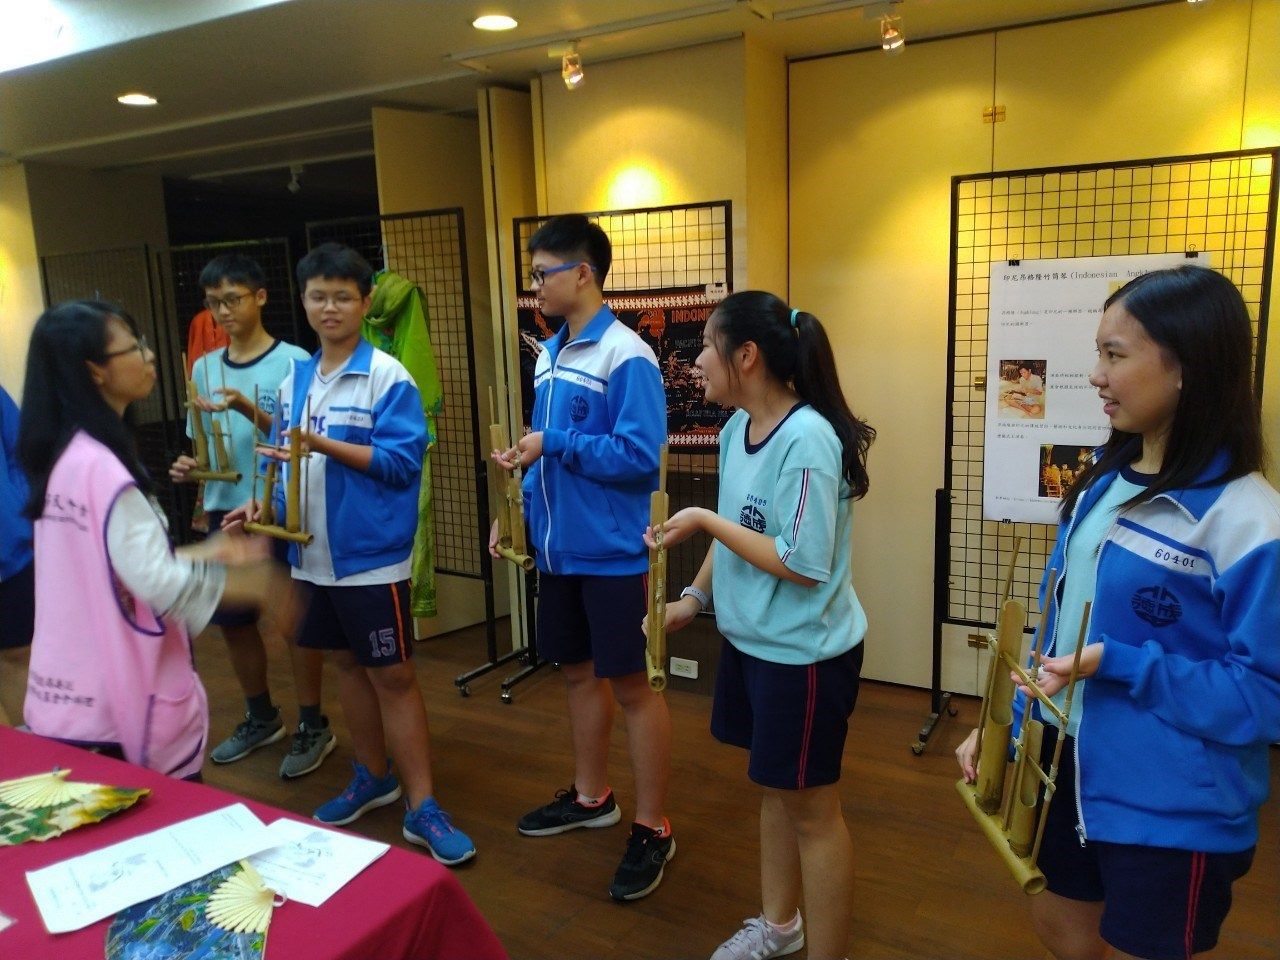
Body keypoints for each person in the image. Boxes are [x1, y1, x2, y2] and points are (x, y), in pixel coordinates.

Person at [957, 265, 1280, 960]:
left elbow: (1265, 696)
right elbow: (1057, 632)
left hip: (1173, 811)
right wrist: (1011, 731)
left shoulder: (1251, 521)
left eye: (1115, 354)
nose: (1096, 375)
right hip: (1065, 769)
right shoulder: (1102, 481)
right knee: (1063, 935)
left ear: (1187, 366)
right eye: (1098, 352)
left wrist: (1121, 665)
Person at [229, 243, 475, 865]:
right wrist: (264, 509)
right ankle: (372, 775)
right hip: (311, 558)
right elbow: (289, 467)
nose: (329, 307)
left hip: (371, 559)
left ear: (365, 304)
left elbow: (400, 463)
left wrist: (324, 444)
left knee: (393, 676)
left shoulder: (389, 377)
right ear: (304, 304)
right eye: (318, 296)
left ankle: (423, 805)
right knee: (345, 668)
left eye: (343, 296)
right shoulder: (296, 380)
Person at [646, 291, 874, 960]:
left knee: (812, 810)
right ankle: (779, 929)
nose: (695, 364)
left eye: (706, 348)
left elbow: (802, 565)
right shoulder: (733, 430)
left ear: (746, 357)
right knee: (778, 791)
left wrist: (700, 520)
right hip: (755, 647)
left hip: (803, 657)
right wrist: (693, 597)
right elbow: (744, 527)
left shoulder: (806, 438)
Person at [492, 214, 673, 901]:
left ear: (583, 274)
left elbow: (638, 459)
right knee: (576, 674)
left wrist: (554, 445)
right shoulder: (548, 353)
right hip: (558, 551)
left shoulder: (627, 356)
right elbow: (545, 452)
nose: (536, 285)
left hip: (615, 554)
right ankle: (593, 796)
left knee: (632, 687)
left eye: (543, 272)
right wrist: (514, 512)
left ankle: (654, 825)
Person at [18, 301, 272, 779]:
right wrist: (258, 585)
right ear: (95, 371)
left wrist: (207, 550)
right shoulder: (99, 466)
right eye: (135, 347)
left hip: (69, 698)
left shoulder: (66, 456)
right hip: (111, 708)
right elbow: (153, 581)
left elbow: (115, 566)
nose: (150, 355)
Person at [169, 254, 332, 779]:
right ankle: (260, 714)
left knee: (293, 620)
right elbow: (205, 445)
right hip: (226, 509)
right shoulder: (204, 367)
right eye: (214, 303)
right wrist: (191, 468)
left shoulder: (293, 361)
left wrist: (246, 408)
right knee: (233, 621)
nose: (223, 312)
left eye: (232, 300)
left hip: (280, 508)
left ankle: (313, 722)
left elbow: (299, 439)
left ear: (261, 297)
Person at [0, 384, 34, 726]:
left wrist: (17, 514)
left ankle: (34, 756)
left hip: (9, 551)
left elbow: (20, 453)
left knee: (18, 654)